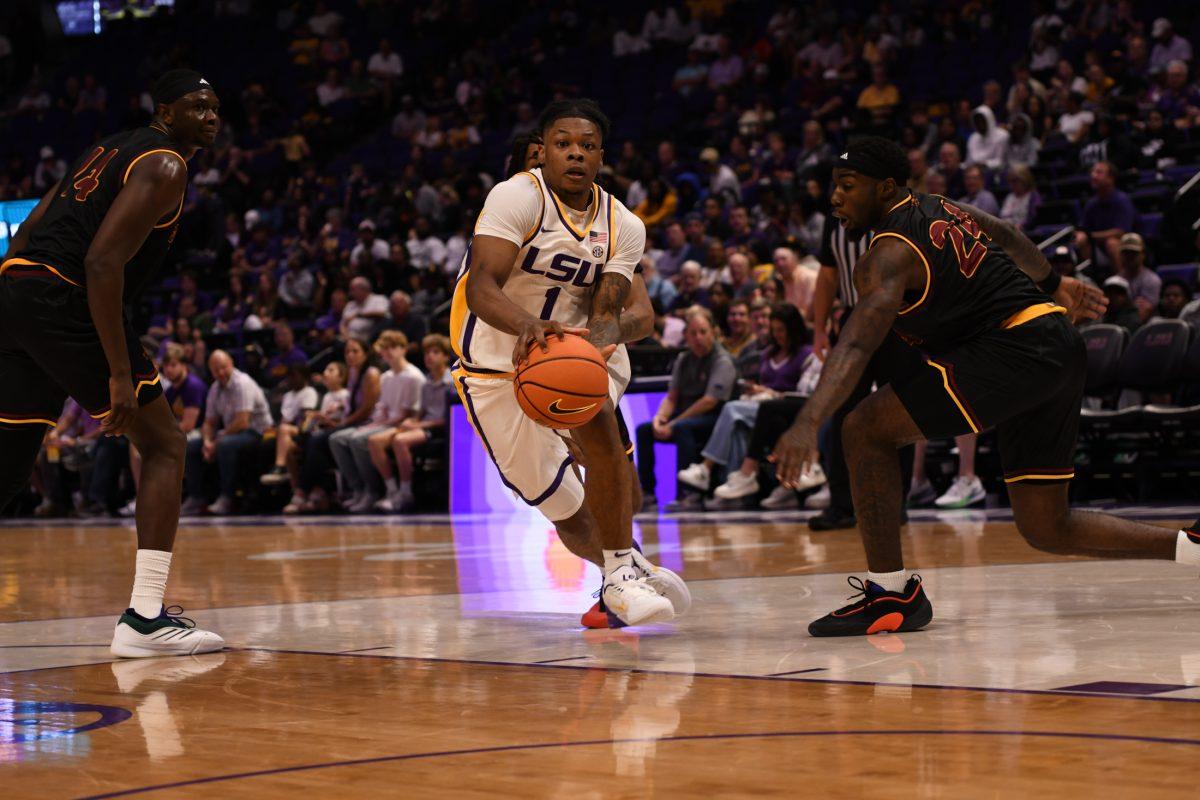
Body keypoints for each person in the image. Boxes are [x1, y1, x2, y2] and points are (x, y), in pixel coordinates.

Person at [772, 137, 1199, 638]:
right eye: (833, 188)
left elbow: (854, 346)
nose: (835, 199)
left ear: (885, 188)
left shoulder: (887, 253)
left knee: (864, 428)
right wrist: (1054, 284)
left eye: (847, 187)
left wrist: (807, 422)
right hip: (1055, 342)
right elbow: (1007, 232)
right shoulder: (940, 207)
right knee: (1046, 526)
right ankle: (1191, 546)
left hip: (1014, 347)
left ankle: (891, 595)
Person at [0, 68, 223, 657]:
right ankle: (145, 619)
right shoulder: (167, 165)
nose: (211, 116)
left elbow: (29, 229)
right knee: (166, 445)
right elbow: (102, 264)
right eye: (198, 105)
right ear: (166, 110)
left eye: (215, 107)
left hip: (17, 289)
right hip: (63, 295)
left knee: (6, 468)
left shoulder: (105, 148)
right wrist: (119, 375)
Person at [453, 98, 688, 628]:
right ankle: (630, 572)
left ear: (602, 155)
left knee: (609, 453)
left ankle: (621, 576)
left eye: (586, 146)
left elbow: (633, 314)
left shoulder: (623, 223)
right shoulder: (515, 197)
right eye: (563, 144)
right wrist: (526, 325)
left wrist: (592, 340)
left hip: (566, 356)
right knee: (561, 502)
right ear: (544, 151)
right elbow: (481, 287)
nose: (575, 154)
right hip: (494, 364)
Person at [807, 213, 922, 531]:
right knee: (842, 414)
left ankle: (896, 504)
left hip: (897, 320)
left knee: (899, 413)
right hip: (852, 320)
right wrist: (818, 329)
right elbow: (828, 276)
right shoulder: (835, 218)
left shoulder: (900, 212)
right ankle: (842, 505)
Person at [679, 304, 815, 496]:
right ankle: (736, 484)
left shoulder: (806, 354)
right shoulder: (768, 353)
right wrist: (754, 391)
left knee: (732, 410)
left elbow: (802, 395)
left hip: (786, 409)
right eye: (774, 330)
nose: (777, 335)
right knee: (737, 426)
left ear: (793, 328)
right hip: (761, 406)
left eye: (781, 330)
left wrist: (769, 392)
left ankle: (706, 469)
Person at [636, 306, 737, 511]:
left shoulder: (722, 360)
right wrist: (660, 419)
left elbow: (709, 401)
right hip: (685, 417)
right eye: (693, 333)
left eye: (703, 332)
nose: (698, 338)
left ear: (713, 333)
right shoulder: (683, 359)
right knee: (645, 430)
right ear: (686, 337)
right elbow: (672, 397)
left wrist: (674, 422)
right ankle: (647, 493)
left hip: (715, 420)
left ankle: (688, 493)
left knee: (684, 429)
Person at [334, 330, 425, 512]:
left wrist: (378, 425)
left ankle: (380, 490)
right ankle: (359, 489)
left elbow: (408, 414)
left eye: (393, 347)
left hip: (401, 424)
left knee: (359, 439)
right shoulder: (386, 377)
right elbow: (381, 408)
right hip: (385, 423)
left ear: (403, 349)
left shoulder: (413, 376)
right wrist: (373, 423)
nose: (388, 352)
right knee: (337, 438)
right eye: (385, 348)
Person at [182, 350, 273, 516]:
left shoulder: (242, 383)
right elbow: (209, 422)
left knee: (224, 445)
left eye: (223, 367)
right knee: (192, 446)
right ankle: (196, 497)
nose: (221, 372)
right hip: (232, 433)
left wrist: (216, 441)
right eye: (216, 369)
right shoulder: (215, 388)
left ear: (231, 363)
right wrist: (208, 441)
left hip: (257, 432)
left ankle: (227, 498)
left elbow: (242, 422)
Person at [374, 334, 454, 512]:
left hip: (441, 430)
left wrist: (420, 425)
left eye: (435, 352)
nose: (429, 356)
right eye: (427, 352)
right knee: (388, 437)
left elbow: (449, 418)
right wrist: (412, 421)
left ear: (446, 357)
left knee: (400, 440)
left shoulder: (452, 382)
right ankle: (393, 491)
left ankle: (405, 492)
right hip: (424, 426)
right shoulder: (426, 383)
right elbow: (423, 413)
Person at [281, 361, 349, 513]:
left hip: (335, 436)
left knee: (314, 447)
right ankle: (312, 491)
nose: (325, 372)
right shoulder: (327, 396)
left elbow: (344, 421)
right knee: (294, 448)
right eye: (325, 369)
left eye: (331, 370)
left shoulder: (345, 394)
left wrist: (326, 420)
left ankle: (303, 492)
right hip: (322, 435)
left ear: (342, 377)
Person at [1074, 161, 1136, 275]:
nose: (1093, 175)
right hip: (1098, 247)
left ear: (1111, 178)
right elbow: (1083, 228)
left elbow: (1121, 232)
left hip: (1126, 246)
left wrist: (1091, 236)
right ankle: (1090, 278)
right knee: (1081, 239)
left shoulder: (1122, 200)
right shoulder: (1091, 203)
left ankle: (1120, 281)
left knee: (1112, 243)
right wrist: (1081, 235)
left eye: (1099, 172)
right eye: (1092, 172)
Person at [260, 364, 319, 485]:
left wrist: (283, 426)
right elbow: (283, 417)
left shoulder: (309, 392)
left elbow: (306, 418)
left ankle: (280, 466)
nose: (291, 380)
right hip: (284, 429)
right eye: (289, 377)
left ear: (304, 377)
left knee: (283, 429)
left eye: (294, 376)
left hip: (302, 428)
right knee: (263, 436)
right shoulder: (287, 395)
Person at [1114, 232, 1162, 325]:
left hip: (1145, 328)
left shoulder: (1151, 280)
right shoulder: (1115, 280)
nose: (1129, 256)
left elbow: (1143, 314)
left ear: (1143, 254)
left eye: (1134, 253)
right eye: (1126, 252)